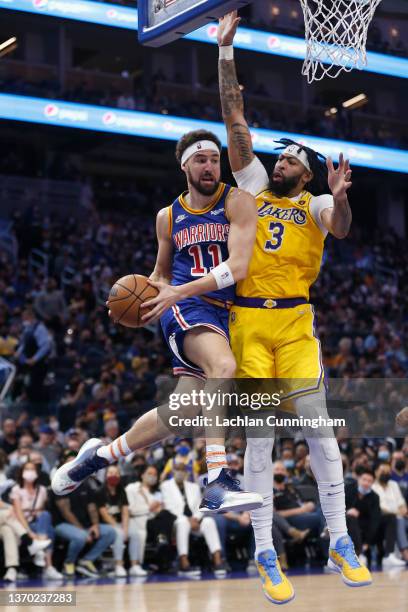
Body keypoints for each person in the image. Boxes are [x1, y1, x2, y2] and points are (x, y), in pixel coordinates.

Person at [216, 11, 372, 603]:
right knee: (260, 441)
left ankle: (340, 541)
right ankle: (263, 551)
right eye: (277, 158)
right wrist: (226, 53)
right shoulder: (253, 185)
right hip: (249, 321)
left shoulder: (312, 206)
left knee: (320, 435)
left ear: (304, 172)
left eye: (288, 161)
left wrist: (338, 198)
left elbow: (344, 229)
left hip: (296, 323)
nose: (277, 162)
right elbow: (235, 119)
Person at [52, 129, 262, 515]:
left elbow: (239, 266)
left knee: (182, 412)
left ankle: (96, 457)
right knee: (223, 366)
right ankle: (217, 479)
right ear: (184, 165)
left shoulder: (237, 201)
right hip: (187, 307)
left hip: (223, 311)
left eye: (215, 159)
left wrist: (171, 291)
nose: (210, 166)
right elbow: (162, 275)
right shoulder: (168, 217)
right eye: (201, 159)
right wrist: (141, 299)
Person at [51, 454, 116, 578]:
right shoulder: (59, 484)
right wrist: (82, 530)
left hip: (84, 525)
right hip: (62, 524)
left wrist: (96, 525)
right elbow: (66, 512)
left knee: (110, 532)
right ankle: (68, 564)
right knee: (80, 537)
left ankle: (86, 561)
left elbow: (92, 507)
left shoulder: (85, 483)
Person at [160, 462, 226, 576]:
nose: (179, 472)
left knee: (209, 522)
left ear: (186, 473)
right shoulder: (165, 486)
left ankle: (217, 560)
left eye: (182, 470)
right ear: (172, 471)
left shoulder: (193, 487)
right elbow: (169, 507)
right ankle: (184, 562)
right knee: (182, 523)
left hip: (195, 521)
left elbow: (200, 507)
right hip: (176, 521)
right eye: (177, 469)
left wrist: (195, 519)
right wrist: (188, 520)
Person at [10, 461, 62, 579]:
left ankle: (40, 549)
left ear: (37, 473)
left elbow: (41, 511)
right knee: (50, 531)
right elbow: (18, 514)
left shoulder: (42, 490)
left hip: (38, 523)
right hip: (23, 524)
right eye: (27, 469)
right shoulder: (16, 490)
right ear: (22, 472)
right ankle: (48, 566)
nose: (30, 472)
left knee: (45, 515)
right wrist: (29, 532)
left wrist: (37, 514)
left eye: (32, 469)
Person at [125, 465, 173, 576]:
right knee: (164, 517)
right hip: (139, 521)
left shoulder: (157, 493)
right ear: (142, 475)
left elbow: (157, 510)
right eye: (149, 474)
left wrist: (157, 509)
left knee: (166, 514)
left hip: (153, 522)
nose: (152, 477)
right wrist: (149, 508)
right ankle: (162, 540)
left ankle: (162, 541)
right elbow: (130, 510)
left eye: (155, 475)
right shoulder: (132, 488)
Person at [97, 465, 129, 577]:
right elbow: (104, 514)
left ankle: (135, 564)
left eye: (116, 473)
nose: (113, 476)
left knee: (135, 533)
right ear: (106, 476)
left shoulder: (122, 490)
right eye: (110, 473)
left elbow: (125, 512)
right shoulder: (100, 491)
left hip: (120, 523)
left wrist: (125, 528)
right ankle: (119, 565)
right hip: (105, 524)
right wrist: (119, 528)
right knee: (119, 533)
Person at [372, 463, 407, 567]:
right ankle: (402, 554)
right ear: (376, 472)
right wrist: (396, 513)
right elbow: (382, 509)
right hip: (383, 520)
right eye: (383, 471)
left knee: (399, 519)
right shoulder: (373, 487)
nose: (385, 474)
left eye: (388, 472)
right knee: (396, 519)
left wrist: (402, 511)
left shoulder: (394, 484)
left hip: (400, 516)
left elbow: (402, 504)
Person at [345, 469, 381, 566]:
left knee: (376, 523)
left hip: (364, 527)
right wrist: (348, 511)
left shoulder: (375, 497)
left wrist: (368, 542)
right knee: (351, 517)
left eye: (369, 481)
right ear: (358, 479)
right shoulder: (347, 489)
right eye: (364, 479)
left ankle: (359, 552)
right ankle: (359, 553)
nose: (366, 483)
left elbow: (375, 520)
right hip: (346, 521)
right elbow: (336, 507)